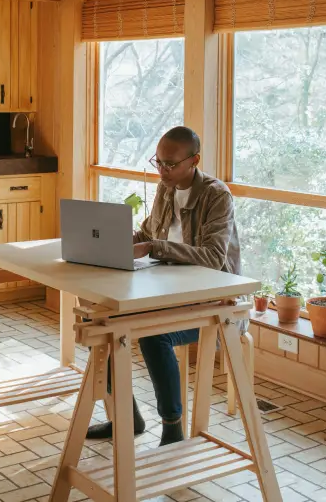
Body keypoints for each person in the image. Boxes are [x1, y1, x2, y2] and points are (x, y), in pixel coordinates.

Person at [86, 125, 240, 447]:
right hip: (169, 291)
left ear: (194, 160)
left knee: (156, 335)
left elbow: (213, 258)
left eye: (170, 164)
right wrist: (107, 244)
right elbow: (147, 234)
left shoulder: (216, 195)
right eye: (158, 162)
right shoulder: (165, 188)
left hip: (213, 301)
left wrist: (156, 247)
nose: (163, 170)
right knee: (102, 320)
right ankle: (125, 417)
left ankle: (172, 428)